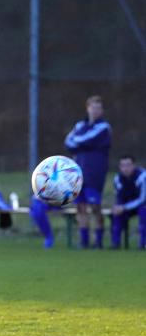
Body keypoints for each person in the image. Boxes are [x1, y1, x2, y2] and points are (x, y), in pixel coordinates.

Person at [64, 95, 111, 249]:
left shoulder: (103, 127)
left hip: (95, 172)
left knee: (95, 206)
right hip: (78, 172)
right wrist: (80, 143)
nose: (95, 110)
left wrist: (79, 142)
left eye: (98, 108)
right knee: (80, 207)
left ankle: (98, 241)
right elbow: (68, 142)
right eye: (92, 107)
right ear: (87, 108)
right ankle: (84, 241)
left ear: (102, 110)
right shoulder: (79, 125)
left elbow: (87, 139)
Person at [111, 155, 145, 249]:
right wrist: (118, 207)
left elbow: (143, 199)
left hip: (141, 205)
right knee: (116, 214)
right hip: (127, 206)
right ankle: (115, 244)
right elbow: (119, 197)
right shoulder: (117, 178)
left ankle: (143, 244)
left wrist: (124, 207)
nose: (126, 168)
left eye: (128, 165)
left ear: (134, 165)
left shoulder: (142, 176)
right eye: (123, 165)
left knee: (144, 211)